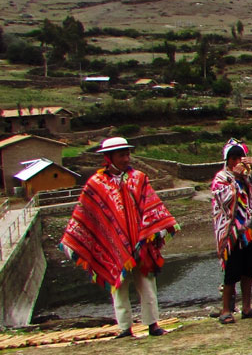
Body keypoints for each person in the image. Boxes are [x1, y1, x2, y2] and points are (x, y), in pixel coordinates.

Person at [60, 136, 179, 338]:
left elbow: (151, 204)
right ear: (109, 157)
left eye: (127, 154)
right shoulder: (96, 184)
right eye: (122, 155)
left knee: (147, 284)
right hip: (113, 245)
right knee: (118, 284)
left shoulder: (139, 178)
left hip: (141, 241)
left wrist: (153, 229)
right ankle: (124, 327)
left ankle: (152, 324)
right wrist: (74, 239)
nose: (126, 158)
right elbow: (86, 213)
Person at [211, 139, 252, 324]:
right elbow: (224, 199)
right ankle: (226, 310)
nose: (237, 162)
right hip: (233, 234)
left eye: (240, 158)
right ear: (227, 160)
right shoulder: (221, 179)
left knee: (248, 270)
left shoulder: (250, 176)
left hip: (250, 230)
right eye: (233, 158)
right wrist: (237, 181)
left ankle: (246, 307)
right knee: (231, 272)